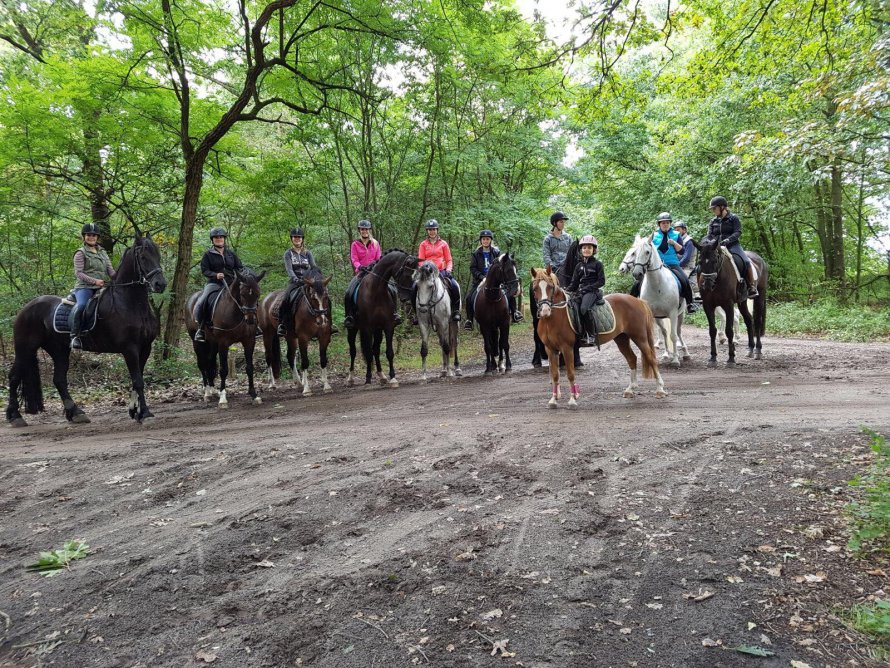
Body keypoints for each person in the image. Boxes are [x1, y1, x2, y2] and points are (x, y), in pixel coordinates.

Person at [343, 219, 401, 329]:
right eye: (362, 229)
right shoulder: (355, 244)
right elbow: (354, 259)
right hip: (361, 273)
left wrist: (374, 266)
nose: (364, 231)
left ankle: (394, 314)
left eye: (366, 229)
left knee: (392, 289)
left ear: (369, 230)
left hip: (375, 273)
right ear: (359, 230)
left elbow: (379, 258)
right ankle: (349, 316)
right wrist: (360, 267)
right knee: (349, 292)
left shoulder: (375, 243)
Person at [70, 223, 116, 350]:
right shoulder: (80, 253)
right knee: (82, 306)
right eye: (88, 235)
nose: (91, 237)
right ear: (84, 236)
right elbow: (79, 273)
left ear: (97, 237)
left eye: (94, 235)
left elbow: (110, 271)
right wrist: (94, 281)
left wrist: (120, 278)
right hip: (84, 287)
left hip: (101, 287)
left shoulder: (102, 252)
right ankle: (75, 336)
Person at [194, 227, 245, 342]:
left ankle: (253, 326)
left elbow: (239, 267)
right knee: (203, 300)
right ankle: (201, 329)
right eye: (216, 237)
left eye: (221, 237)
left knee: (248, 296)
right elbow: (205, 270)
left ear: (224, 239)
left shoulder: (231, 253)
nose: (219, 239)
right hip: (215, 283)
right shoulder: (208, 254)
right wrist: (215, 275)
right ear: (212, 240)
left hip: (232, 283)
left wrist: (241, 274)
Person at [464, 229, 522, 330]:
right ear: (481, 241)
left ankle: (515, 312)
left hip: (495, 280)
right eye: (483, 239)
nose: (485, 241)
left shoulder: (496, 252)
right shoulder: (476, 253)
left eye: (487, 239)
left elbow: (501, 265)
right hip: (480, 280)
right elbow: (473, 268)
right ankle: (469, 320)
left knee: (509, 294)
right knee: (469, 297)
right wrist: (481, 277)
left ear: (490, 240)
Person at [705, 196, 759, 298]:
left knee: (746, 261)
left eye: (714, 208)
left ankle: (751, 286)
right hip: (717, 246)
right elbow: (709, 235)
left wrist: (728, 240)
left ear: (722, 207)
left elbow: (738, 232)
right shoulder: (713, 221)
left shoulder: (733, 218)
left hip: (733, 245)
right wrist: (711, 242)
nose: (713, 211)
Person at [276, 227, 321, 336]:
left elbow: (313, 267)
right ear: (291, 239)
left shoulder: (308, 253)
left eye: (299, 237)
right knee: (286, 299)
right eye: (295, 237)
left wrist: (315, 278)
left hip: (308, 281)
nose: (297, 239)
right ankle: (283, 324)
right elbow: (289, 269)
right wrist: (295, 278)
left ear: (302, 239)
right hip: (295, 282)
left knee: (323, 296)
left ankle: (328, 324)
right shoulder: (288, 253)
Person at [413, 219, 461, 323]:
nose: (431, 231)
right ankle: (416, 314)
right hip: (427, 273)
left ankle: (455, 311)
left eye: (433, 229)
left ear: (437, 230)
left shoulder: (443, 244)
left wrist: (448, 269)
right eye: (429, 230)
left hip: (441, 271)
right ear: (427, 231)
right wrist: (424, 270)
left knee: (454, 285)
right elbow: (420, 261)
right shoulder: (423, 244)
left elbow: (449, 260)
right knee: (414, 287)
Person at [566, 235, 605, 345]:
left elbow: (601, 281)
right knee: (572, 307)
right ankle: (579, 334)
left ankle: (591, 335)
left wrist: (588, 288)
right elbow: (574, 284)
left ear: (594, 250)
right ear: (581, 250)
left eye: (589, 247)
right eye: (584, 248)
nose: (586, 250)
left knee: (584, 308)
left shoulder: (598, 264)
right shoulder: (578, 266)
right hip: (581, 292)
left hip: (593, 292)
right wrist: (566, 291)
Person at [674, 220, 699, 301]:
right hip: (678, 265)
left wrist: (677, 265)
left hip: (687, 267)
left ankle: (690, 300)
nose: (676, 231)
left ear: (684, 230)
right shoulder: (676, 240)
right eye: (675, 230)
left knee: (683, 279)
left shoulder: (689, 241)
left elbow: (686, 258)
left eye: (678, 229)